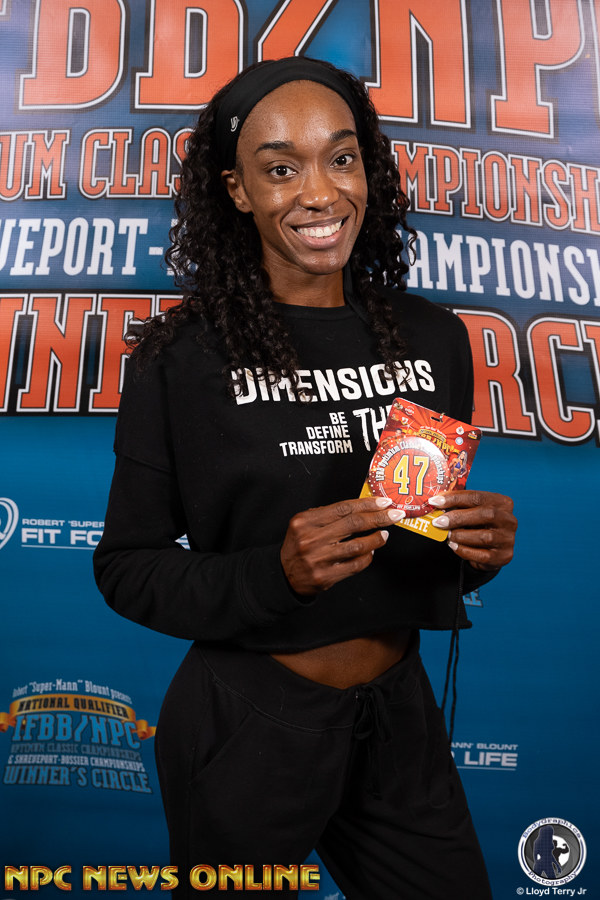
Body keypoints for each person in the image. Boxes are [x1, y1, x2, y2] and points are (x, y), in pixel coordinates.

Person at [93, 57, 517, 899]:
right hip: (249, 718)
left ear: (369, 171)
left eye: (342, 158)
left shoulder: (432, 338)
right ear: (238, 190)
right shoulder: (182, 358)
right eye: (281, 169)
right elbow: (126, 567)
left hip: (398, 713)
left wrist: (476, 551)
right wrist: (275, 575)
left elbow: (420, 545)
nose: (320, 193)